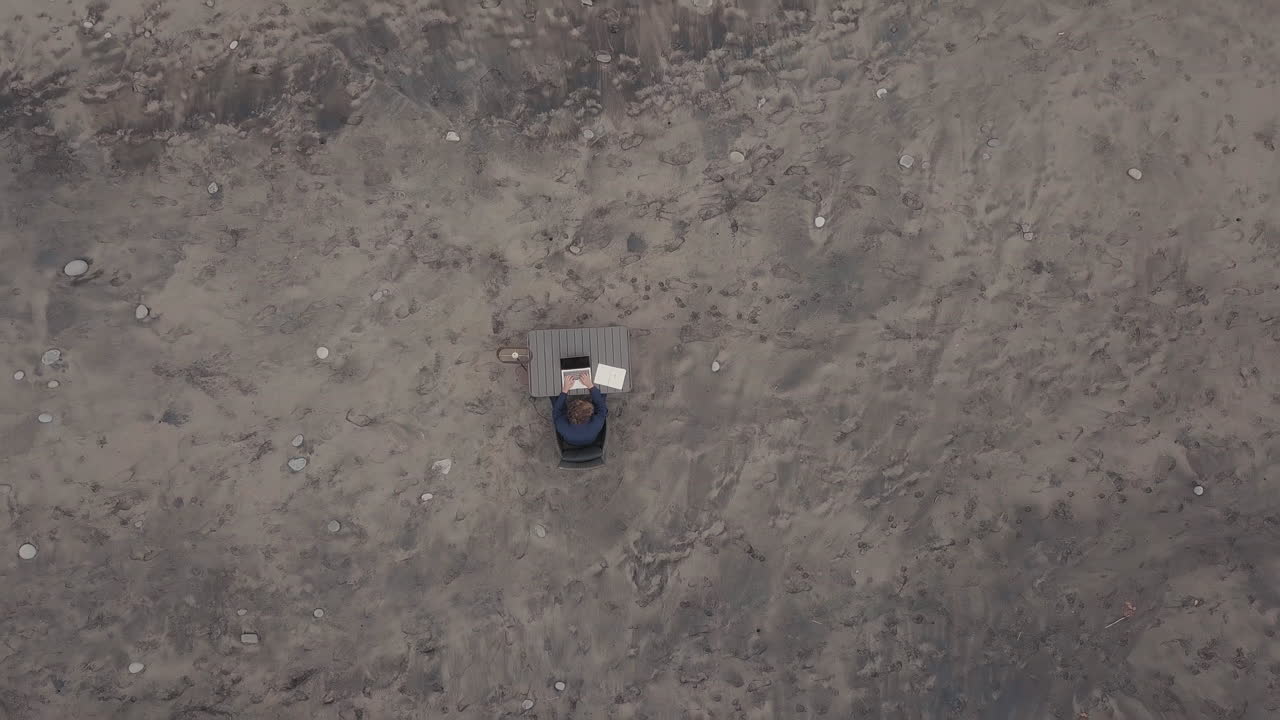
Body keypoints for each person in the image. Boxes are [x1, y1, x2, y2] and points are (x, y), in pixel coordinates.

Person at [552, 372, 607, 446]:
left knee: (556, 401)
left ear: (569, 412)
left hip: (571, 442)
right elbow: (602, 407)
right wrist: (590, 386)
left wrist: (565, 390)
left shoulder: (562, 426)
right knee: (601, 397)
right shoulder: (596, 424)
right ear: (590, 415)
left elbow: (556, 410)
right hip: (590, 440)